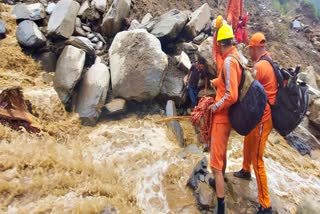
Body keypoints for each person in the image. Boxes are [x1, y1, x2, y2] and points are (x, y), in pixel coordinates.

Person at [233, 32, 277, 214]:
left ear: (258, 47)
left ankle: (265, 204)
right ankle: (245, 169)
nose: (250, 52)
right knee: (247, 141)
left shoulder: (260, 67)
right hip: (258, 116)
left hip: (263, 118)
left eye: (251, 49)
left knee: (258, 159)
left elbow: (248, 88)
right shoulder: (268, 60)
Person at [208, 24, 242, 214]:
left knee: (215, 162)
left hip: (222, 117)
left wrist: (214, 107)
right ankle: (219, 180)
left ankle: (221, 207)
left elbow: (231, 95)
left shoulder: (229, 62)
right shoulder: (236, 57)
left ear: (221, 44)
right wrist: (215, 82)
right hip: (228, 117)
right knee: (221, 154)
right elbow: (226, 82)